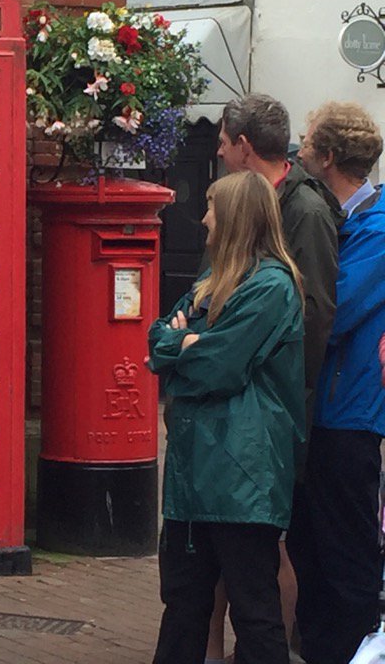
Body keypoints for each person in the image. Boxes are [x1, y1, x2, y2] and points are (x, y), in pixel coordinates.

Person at [149, 171, 305, 664]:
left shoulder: (272, 288)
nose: (203, 218)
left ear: (236, 217)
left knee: (254, 613)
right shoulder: (208, 283)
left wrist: (188, 346)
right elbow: (157, 341)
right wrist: (184, 345)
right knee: (182, 608)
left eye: (212, 207)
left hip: (242, 477)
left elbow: (221, 365)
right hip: (193, 477)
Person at [208, 93, 341, 662]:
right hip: (239, 406)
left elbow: (312, 319)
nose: (215, 151)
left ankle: (267, 651)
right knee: (227, 543)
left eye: (220, 141)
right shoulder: (249, 201)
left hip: (274, 409)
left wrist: (275, 394)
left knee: (272, 545)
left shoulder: (304, 211)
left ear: (242, 147)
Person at [289, 101, 385, 664]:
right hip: (322, 409)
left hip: (349, 413)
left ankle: (349, 649)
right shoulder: (345, 222)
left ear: (326, 157)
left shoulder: (375, 231)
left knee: (345, 548)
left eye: (306, 141)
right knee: (311, 542)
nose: (299, 149)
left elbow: (333, 310)